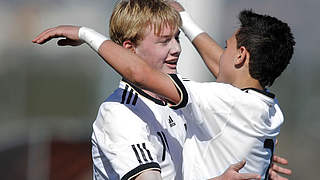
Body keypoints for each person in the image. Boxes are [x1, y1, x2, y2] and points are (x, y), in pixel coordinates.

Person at [32, 0, 293, 179]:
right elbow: (139, 73)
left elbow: (228, 74)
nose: (177, 49)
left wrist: (246, 154)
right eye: (164, 41)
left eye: (177, 37)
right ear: (129, 50)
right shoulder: (120, 115)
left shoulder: (190, 101)